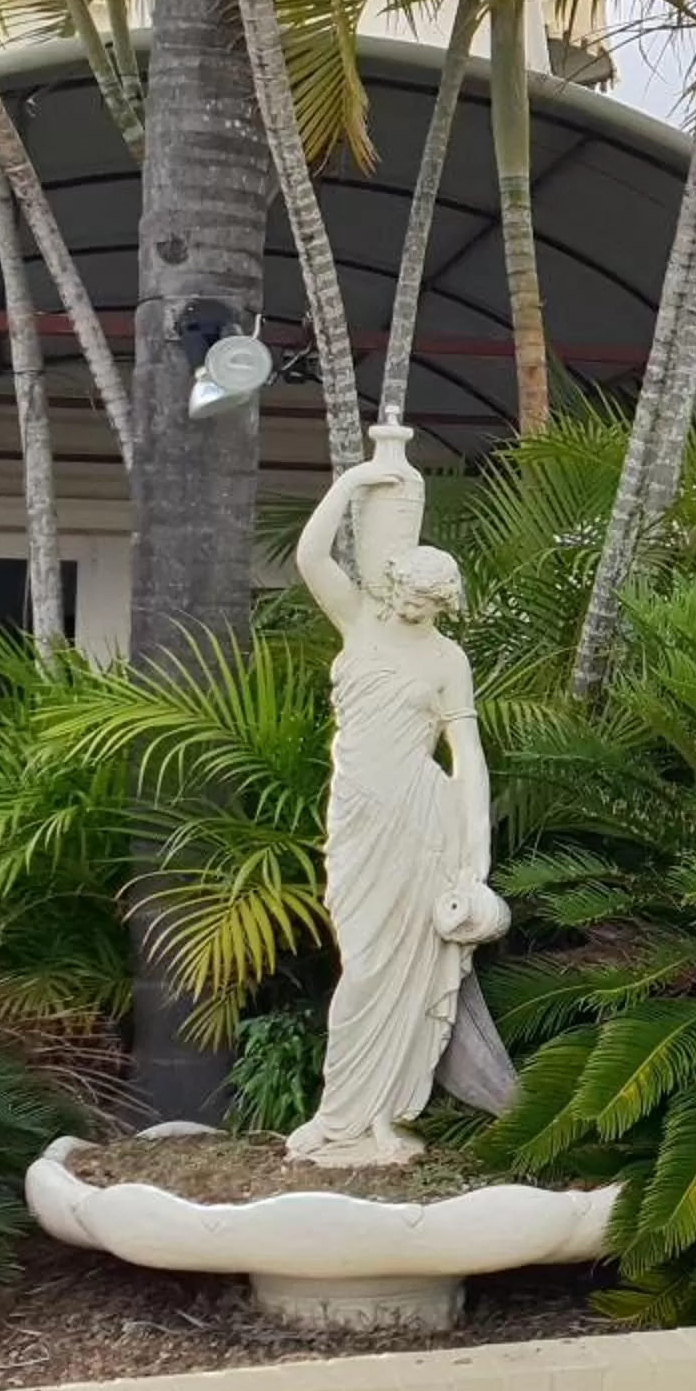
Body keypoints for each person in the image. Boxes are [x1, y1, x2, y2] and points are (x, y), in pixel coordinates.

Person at [283, 430, 511, 1166]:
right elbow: (310, 558)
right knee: (366, 964)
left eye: (430, 602)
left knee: (403, 970)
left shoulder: (448, 658)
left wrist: (474, 851)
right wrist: (351, 483)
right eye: (410, 596)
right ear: (392, 587)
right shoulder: (357, 622)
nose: (416, 609)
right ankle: (339, 1118)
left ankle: (380, 1117)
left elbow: (467, 754)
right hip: (358, 815)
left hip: (423, 818)